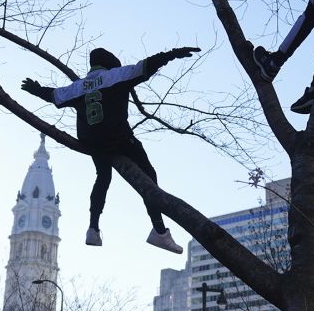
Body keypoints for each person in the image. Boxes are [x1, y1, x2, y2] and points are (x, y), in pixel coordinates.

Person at [20, 45, 199, 251]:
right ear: (110, 64)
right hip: (118, 138)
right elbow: (147, 65)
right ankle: (159, 231)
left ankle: (93, 228)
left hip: (92, 141)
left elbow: (53, 95)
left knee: (103, 177)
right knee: (149, 176)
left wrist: (35, 89)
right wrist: (172, 54)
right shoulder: (116, 76)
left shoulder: (78, 86)